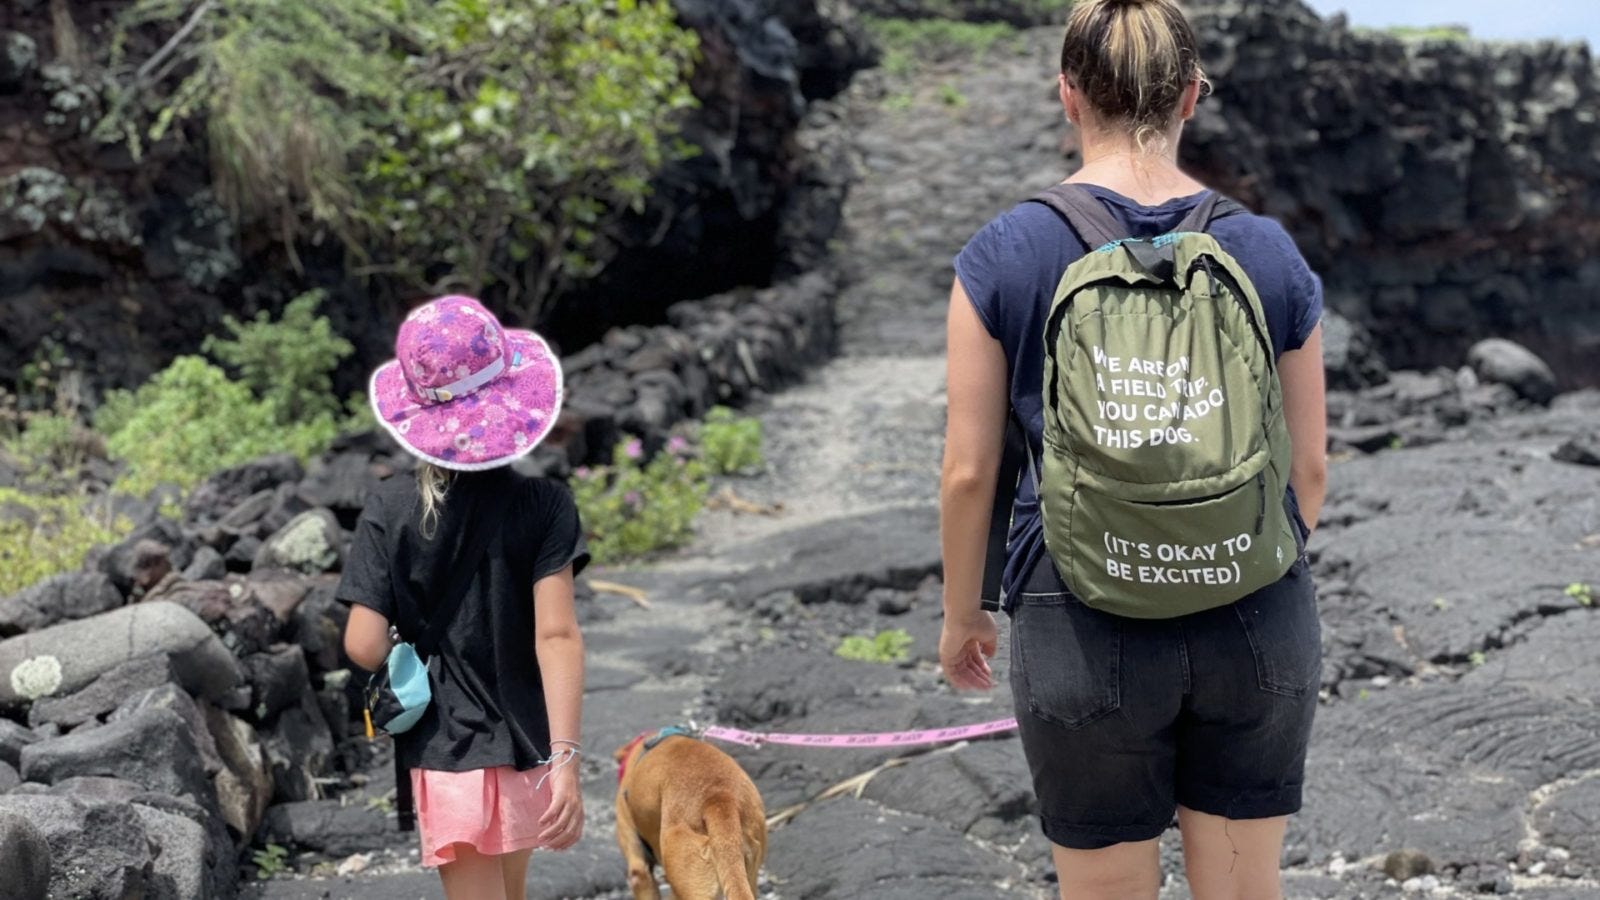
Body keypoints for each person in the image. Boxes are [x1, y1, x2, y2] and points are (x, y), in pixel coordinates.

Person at [937, 0, 1328, 897]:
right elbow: (1307, 468)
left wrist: (967, 615)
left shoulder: (1002, 254)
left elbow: (970, 472)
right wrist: (1236, 556)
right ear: (1192, 95)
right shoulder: (1267, 252)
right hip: (1255, 616)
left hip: (1081, 616)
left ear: (1068, 95)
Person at [340, 295, 590, 900]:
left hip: (447, 748)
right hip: (530, 741)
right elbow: (555, 636)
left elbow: (364, 644)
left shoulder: (389, 508)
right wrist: (567, 760)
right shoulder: (546, 505)